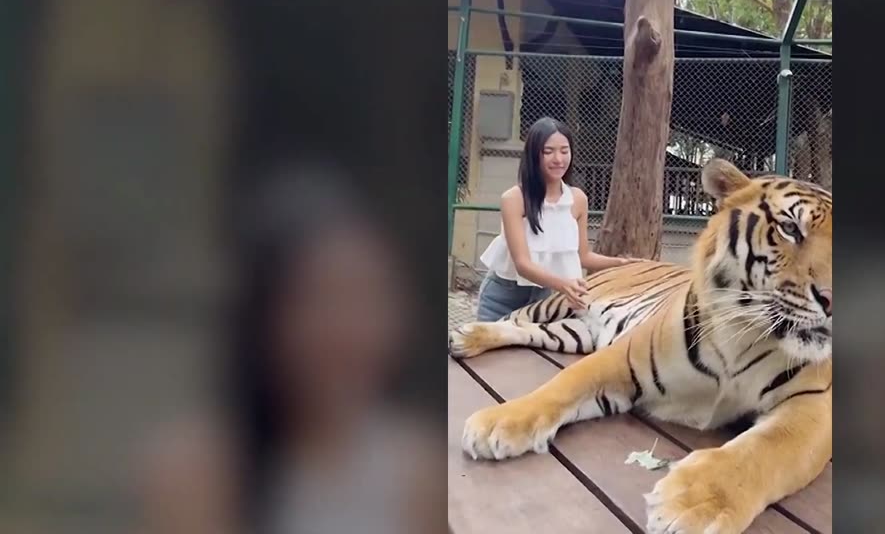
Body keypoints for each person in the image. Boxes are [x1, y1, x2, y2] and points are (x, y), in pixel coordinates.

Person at [138, 169, 435, 534]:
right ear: (262, 315)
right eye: (322, 300)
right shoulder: (194, 474)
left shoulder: (418, 469)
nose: (353, 331)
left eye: (371, 298)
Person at [476, 116, 638, 322]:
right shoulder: (514, 199)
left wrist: (621, 263)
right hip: (502, 298)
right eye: (548, 151)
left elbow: (584, 256)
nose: (558, 159)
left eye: (564, 150)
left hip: (544, 300)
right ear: (534, 155)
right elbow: (522, 264)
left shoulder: (578, 199)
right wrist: (563, 285)